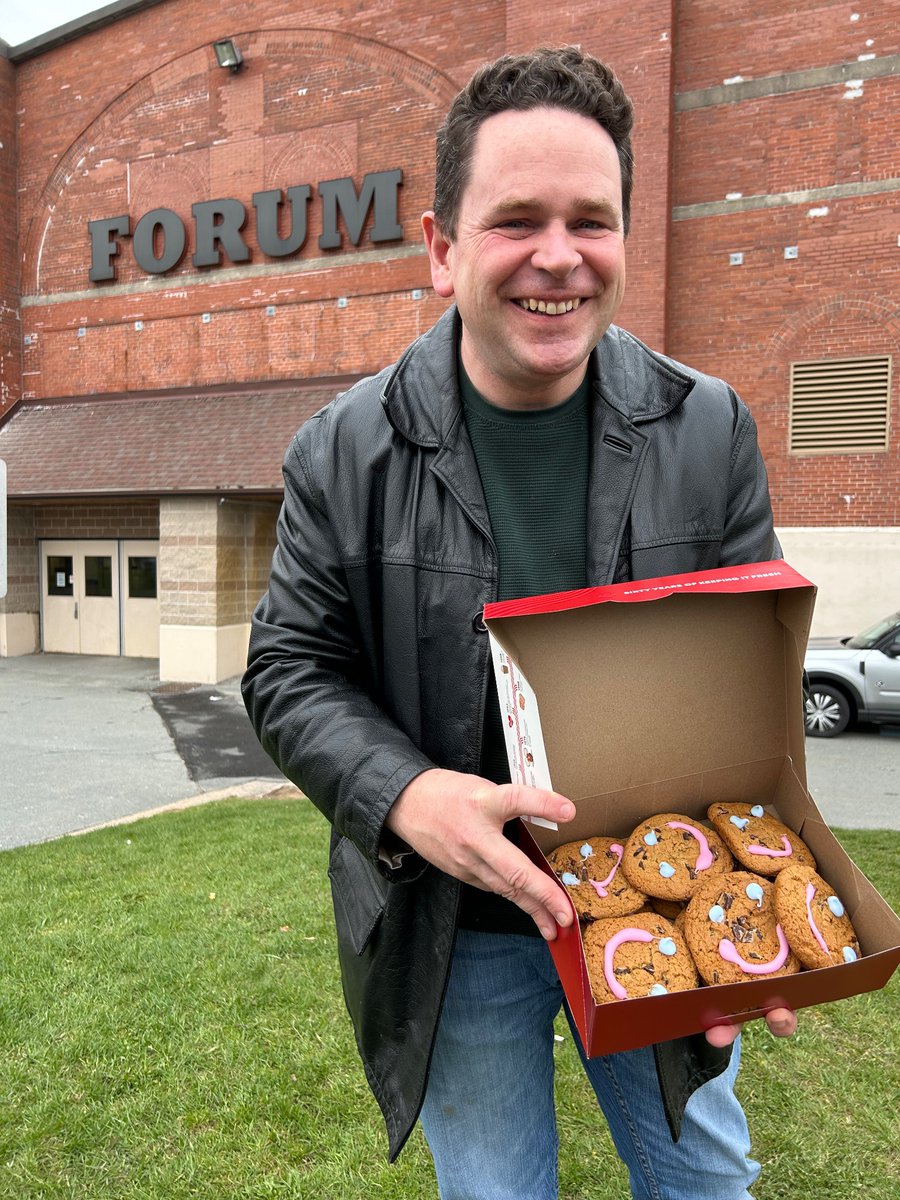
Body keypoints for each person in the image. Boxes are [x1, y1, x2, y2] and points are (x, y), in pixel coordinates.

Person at [242, 45, 797, 1200]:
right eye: (517, 221)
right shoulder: (345, 451)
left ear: (628, 239)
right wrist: (405, 793)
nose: (558, 257)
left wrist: (768, 900)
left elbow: (750, 683)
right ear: (442, 249)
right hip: (458, 933)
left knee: (708, 1185)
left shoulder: (711, 428)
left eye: (591, 220)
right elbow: (290, 669)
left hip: (658, 890)